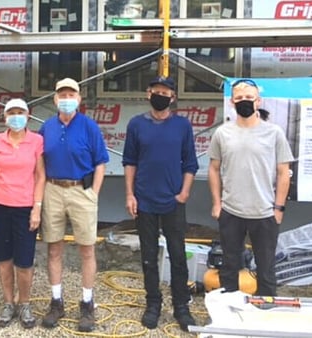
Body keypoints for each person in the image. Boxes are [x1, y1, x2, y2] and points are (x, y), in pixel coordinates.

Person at [122, 76, 199, 332]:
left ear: (173, 97)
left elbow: (190, 163)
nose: (161, 95)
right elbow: (130, 162)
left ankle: (181, 307)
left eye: (166, 92)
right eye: (156, 91)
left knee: (178, 256)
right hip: (144, 201)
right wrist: (130, 195)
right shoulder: (136, 125)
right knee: (148, 257)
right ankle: (153, 304)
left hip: (173, 201)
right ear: (148, 93)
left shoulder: (182, 126)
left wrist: (185, 192)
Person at [208, 79, 294, 296]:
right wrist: (217, 204)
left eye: (249, 98)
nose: (244, 101)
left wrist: (279, 208)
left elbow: (284, 172)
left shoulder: (274, 133)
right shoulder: (222, 133)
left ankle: (265, 312)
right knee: (229, 266)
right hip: (231, 211)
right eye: (239, 98)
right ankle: (229, 311)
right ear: (231, 102)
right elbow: (213, 169)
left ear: (258, 101)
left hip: (264, 213)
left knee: (265, 269)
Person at [38, 78, 109, 332]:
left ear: (79, 99)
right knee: (54, 248)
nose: (66, 99)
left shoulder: (89, 126)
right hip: (53, 189)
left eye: (71, 94)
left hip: (82, 190)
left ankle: (87, 303)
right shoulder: (47, 127)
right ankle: (56, 301)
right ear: (55, 99)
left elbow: (101, 162)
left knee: (87, 250)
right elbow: (40, 163)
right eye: (62, 95)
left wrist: (94, 193)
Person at [0, 99, 45, 329]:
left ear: (28, 116)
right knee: (3, 257)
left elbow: (40, 176)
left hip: (25, 207)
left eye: (20, 112)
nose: (15, 116)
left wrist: (37, 207)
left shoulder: (36, 140)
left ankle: (24, 303)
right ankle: (8, 302)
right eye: (11, 113)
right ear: (4, 117)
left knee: (25, 260)